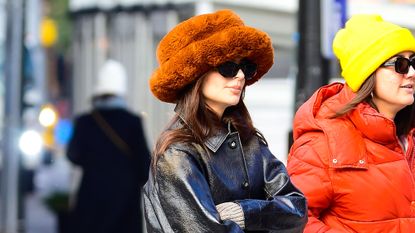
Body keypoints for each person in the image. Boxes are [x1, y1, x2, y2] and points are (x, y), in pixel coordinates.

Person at [143, 9, 307, 233]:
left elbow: (297, 208)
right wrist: (268, 214)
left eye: (245, 67)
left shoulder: (249, 141)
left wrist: (244, 212)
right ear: (196, 75)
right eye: (228, 67)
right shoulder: (177, 153)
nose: (240, 75)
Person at [287, 14, 415, 232]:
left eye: (413, 62)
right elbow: (292, 220)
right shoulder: (322, 141)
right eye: (400, 64)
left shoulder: (407, 135)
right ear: (367, 74)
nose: (411, 73)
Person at [67, 59, 151, 233]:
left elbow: (73, 155)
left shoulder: (85, 122)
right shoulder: (133, 122)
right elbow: (144, 165)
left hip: (91, 198)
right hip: (125, 202)